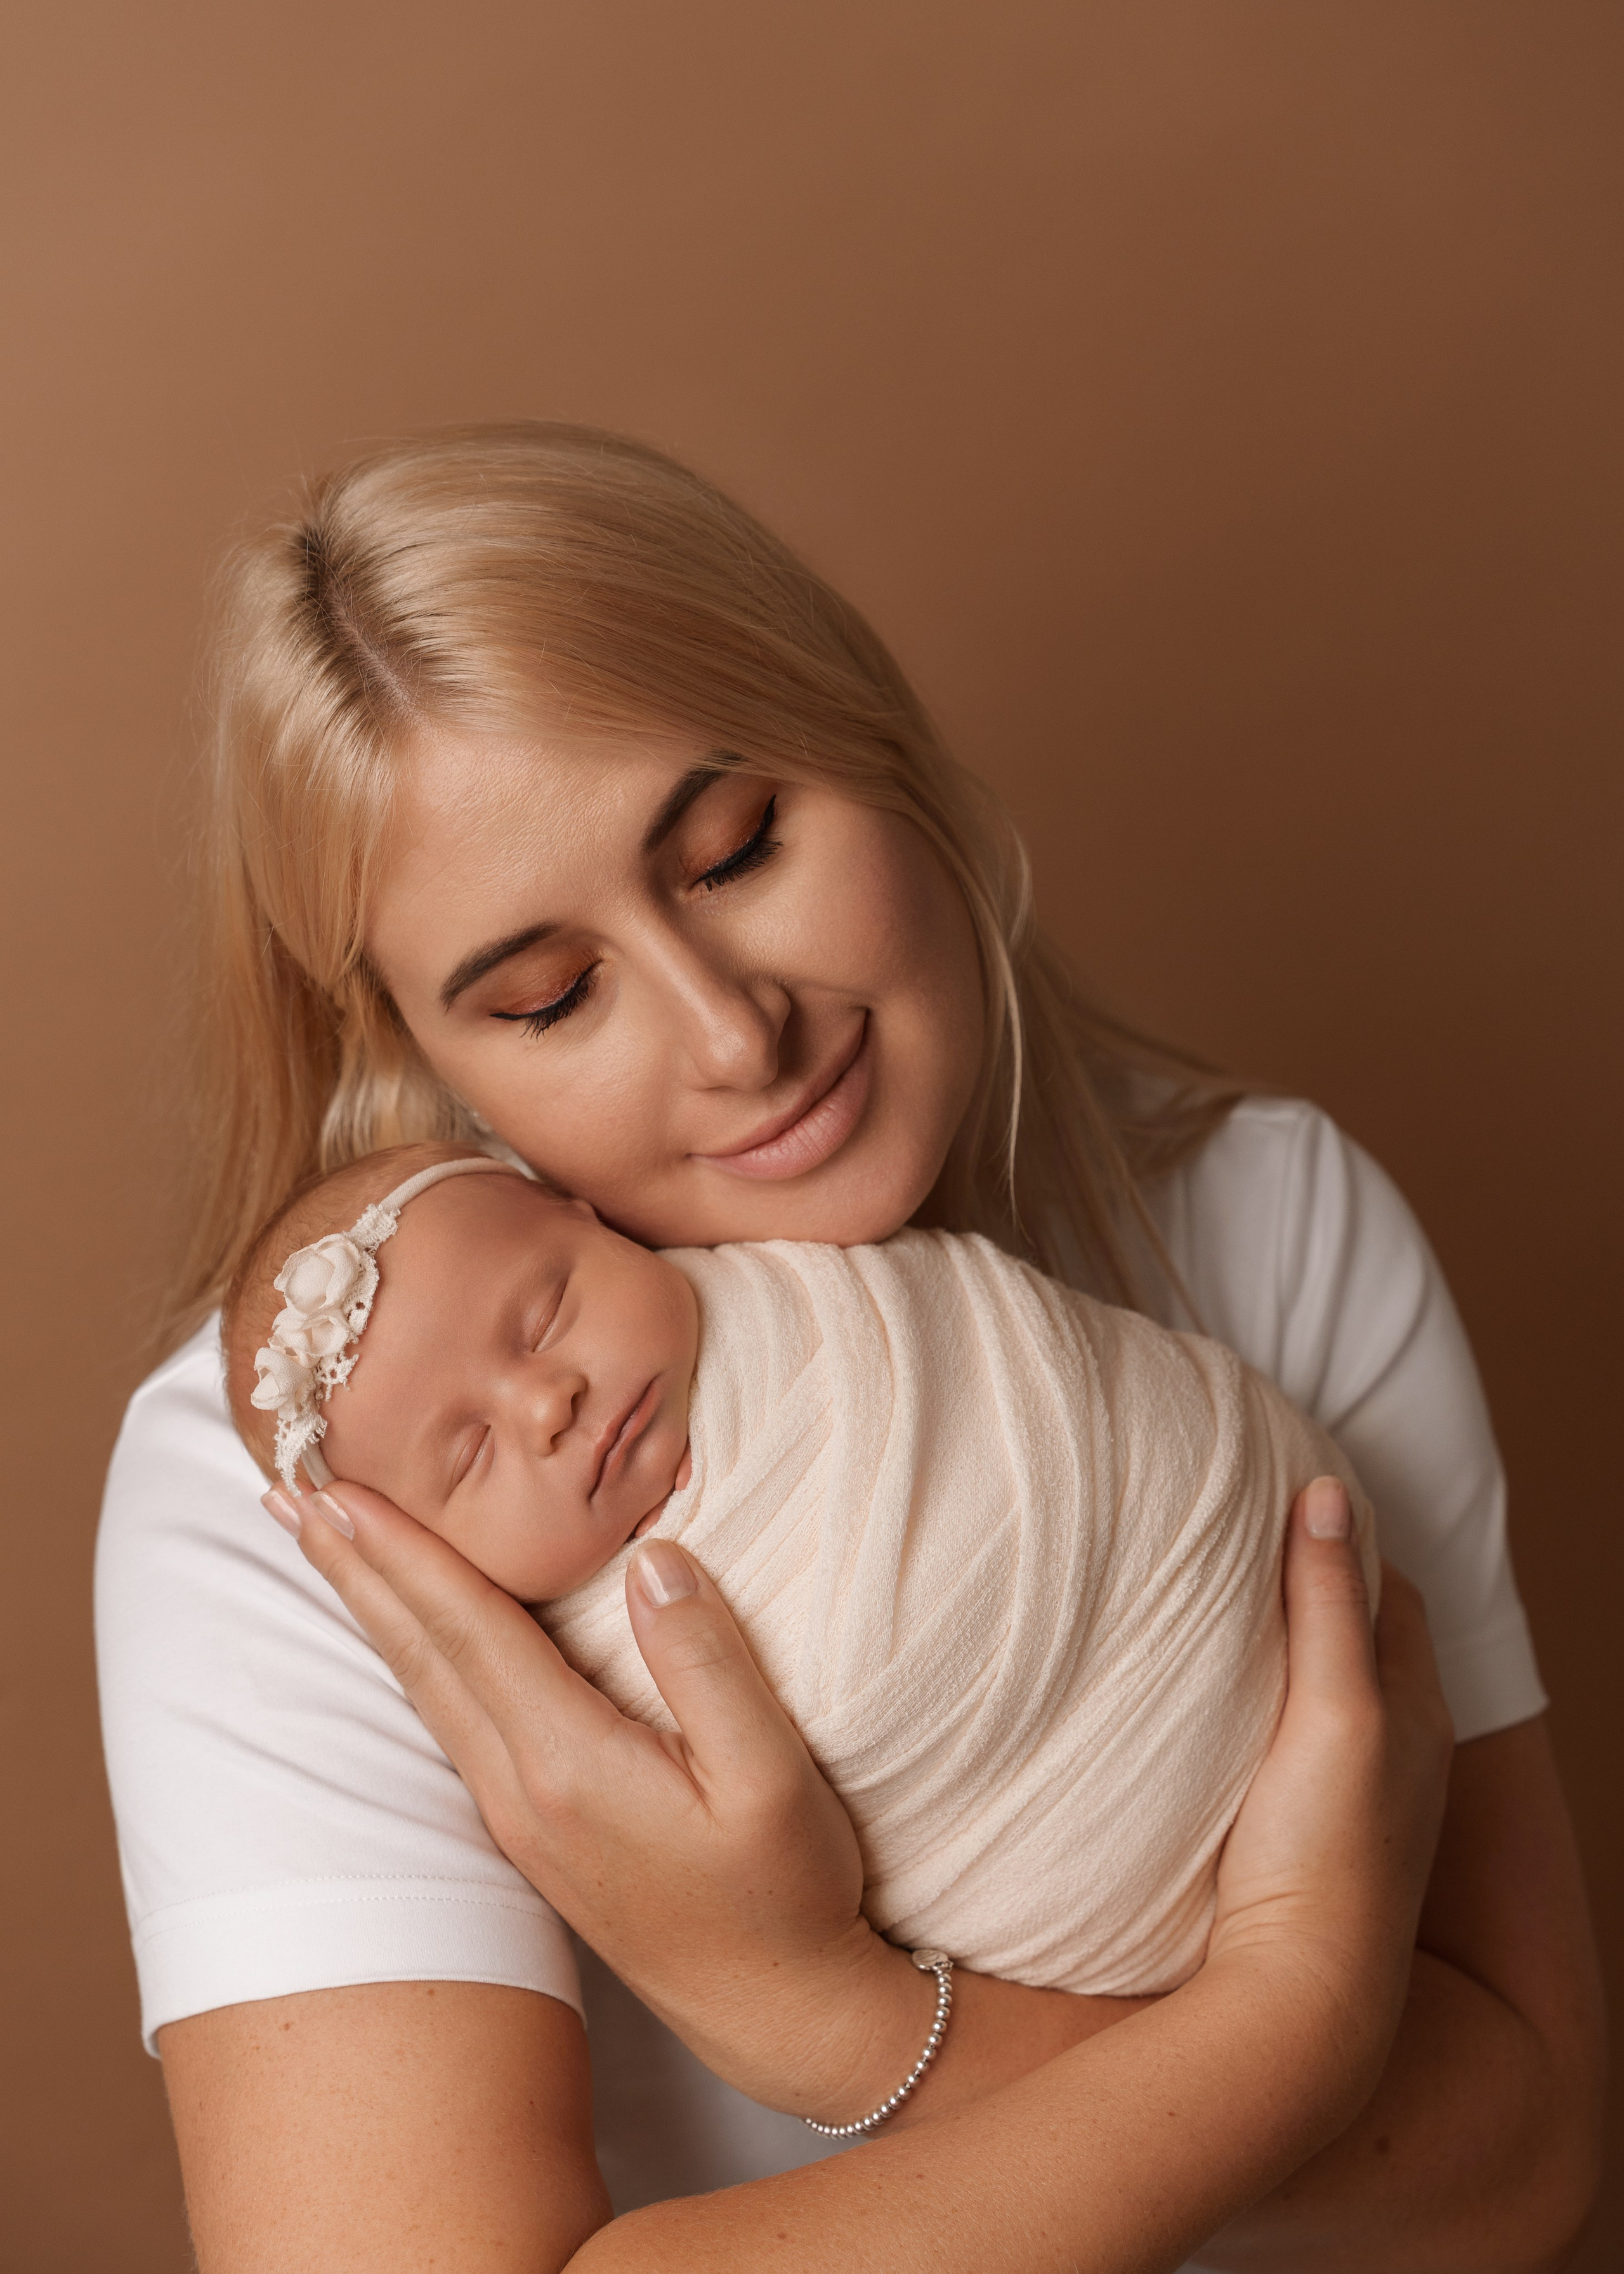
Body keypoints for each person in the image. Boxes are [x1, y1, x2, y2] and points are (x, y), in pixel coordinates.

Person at [96, 423, 1604, 2270]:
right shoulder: (317, 1487)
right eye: (550, 996)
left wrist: (852, 2020)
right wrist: (1299, 2005)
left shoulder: (1268, 1220)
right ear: (425, 1061)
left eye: (735, 848)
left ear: (872, 737)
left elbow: (1521, 2179)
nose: (733, 1036)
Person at [221, 1140, 1380, 2004]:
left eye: (546, 1313)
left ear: (590, 1217)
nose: (546, 1402)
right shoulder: (560, 1690)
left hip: (1244, 1536)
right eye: (469, 1454)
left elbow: (985, 1341)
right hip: (1106, 1883)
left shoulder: (802, 1292)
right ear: (415, 1557)